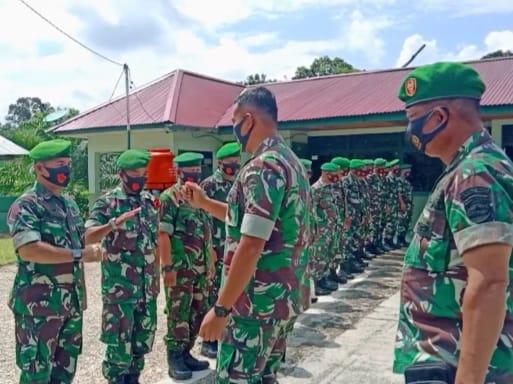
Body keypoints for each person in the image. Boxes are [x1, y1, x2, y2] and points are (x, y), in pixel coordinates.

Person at [393, 61, 513, 384]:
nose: (410, 131)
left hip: (462, 367)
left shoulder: (474, 173)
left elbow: (489, 281)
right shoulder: (471, 168)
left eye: (412, 119)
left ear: (439, 118)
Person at [181, 86, 310, 384]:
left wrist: (222, 308)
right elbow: (251, 222)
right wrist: (203, 203)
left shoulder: (262, 167)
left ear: (249, 120)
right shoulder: (290, 162)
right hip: (280, 301)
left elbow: (251, 244)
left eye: (235, 119)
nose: (234, 127)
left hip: (252, 307)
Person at [6, 139, 103, 384]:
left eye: (68, 164)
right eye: (60, 163)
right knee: (37, 374)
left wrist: (110, 227)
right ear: (40, 168)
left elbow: (79, 238)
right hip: (39, 308)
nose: (66, 169)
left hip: (70, 304)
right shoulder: (27, 205)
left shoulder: (68, 205)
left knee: (64, 373)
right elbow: (29, 249)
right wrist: (80, 254)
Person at [84, 149, 160, 384]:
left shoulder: (149, 201)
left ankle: (134, 378)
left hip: (147, 291)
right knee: (119, 348)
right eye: (134, 172)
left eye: (143, 173)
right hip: (120, 291)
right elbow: (87, 236)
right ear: (121, 173)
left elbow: (153, 243)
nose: (140, 177)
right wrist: (112, 225)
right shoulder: (108, 202)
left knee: (141, 344)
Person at [159, 151, 212, 380]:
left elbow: (206, 229)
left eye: (198, 170)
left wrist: (210, 259)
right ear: (179, 172)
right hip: (180, 268)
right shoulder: (170, 198)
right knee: (178, 312)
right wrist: (167, 267)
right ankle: (175, 357)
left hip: (199, 267)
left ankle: (187, 352)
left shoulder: (201, 196)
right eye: (189, 171)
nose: (194, 174)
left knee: (198, 309)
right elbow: (163, 234)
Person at [200, 141, 241, 359]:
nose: (234, 166)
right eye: (230, 162)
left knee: (230, 293)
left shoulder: (238, 184)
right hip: (215, 247)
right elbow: (203, 217)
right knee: (213, 293)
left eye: (236, 162)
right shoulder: (209, 185)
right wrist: (208, 248)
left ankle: (225, 334)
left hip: (233, 249)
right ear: (219, 162)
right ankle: (208, 341)